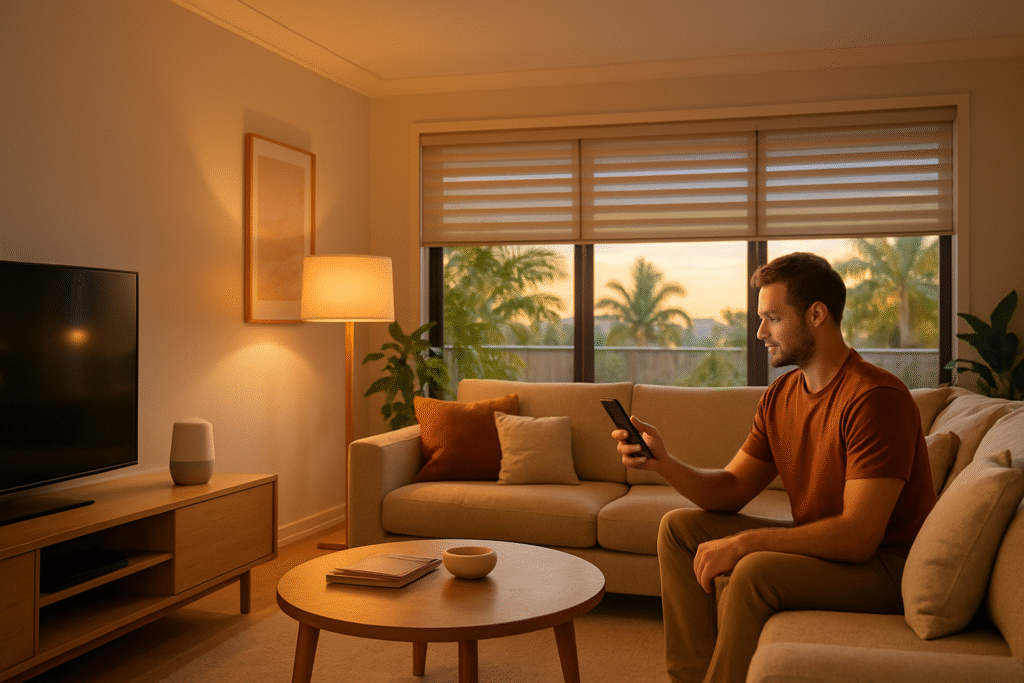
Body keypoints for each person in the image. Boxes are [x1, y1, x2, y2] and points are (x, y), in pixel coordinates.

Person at [612, 252, 936, 683]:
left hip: (884, 567)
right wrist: (663, 463)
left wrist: (748, 544)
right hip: (825, 547)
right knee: (679, 530)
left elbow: (859, 536)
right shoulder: (781, 394)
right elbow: (731, 488)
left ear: (817, 314)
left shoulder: (875, 398)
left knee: (754, 571)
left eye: (773, 318)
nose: (761, 332)